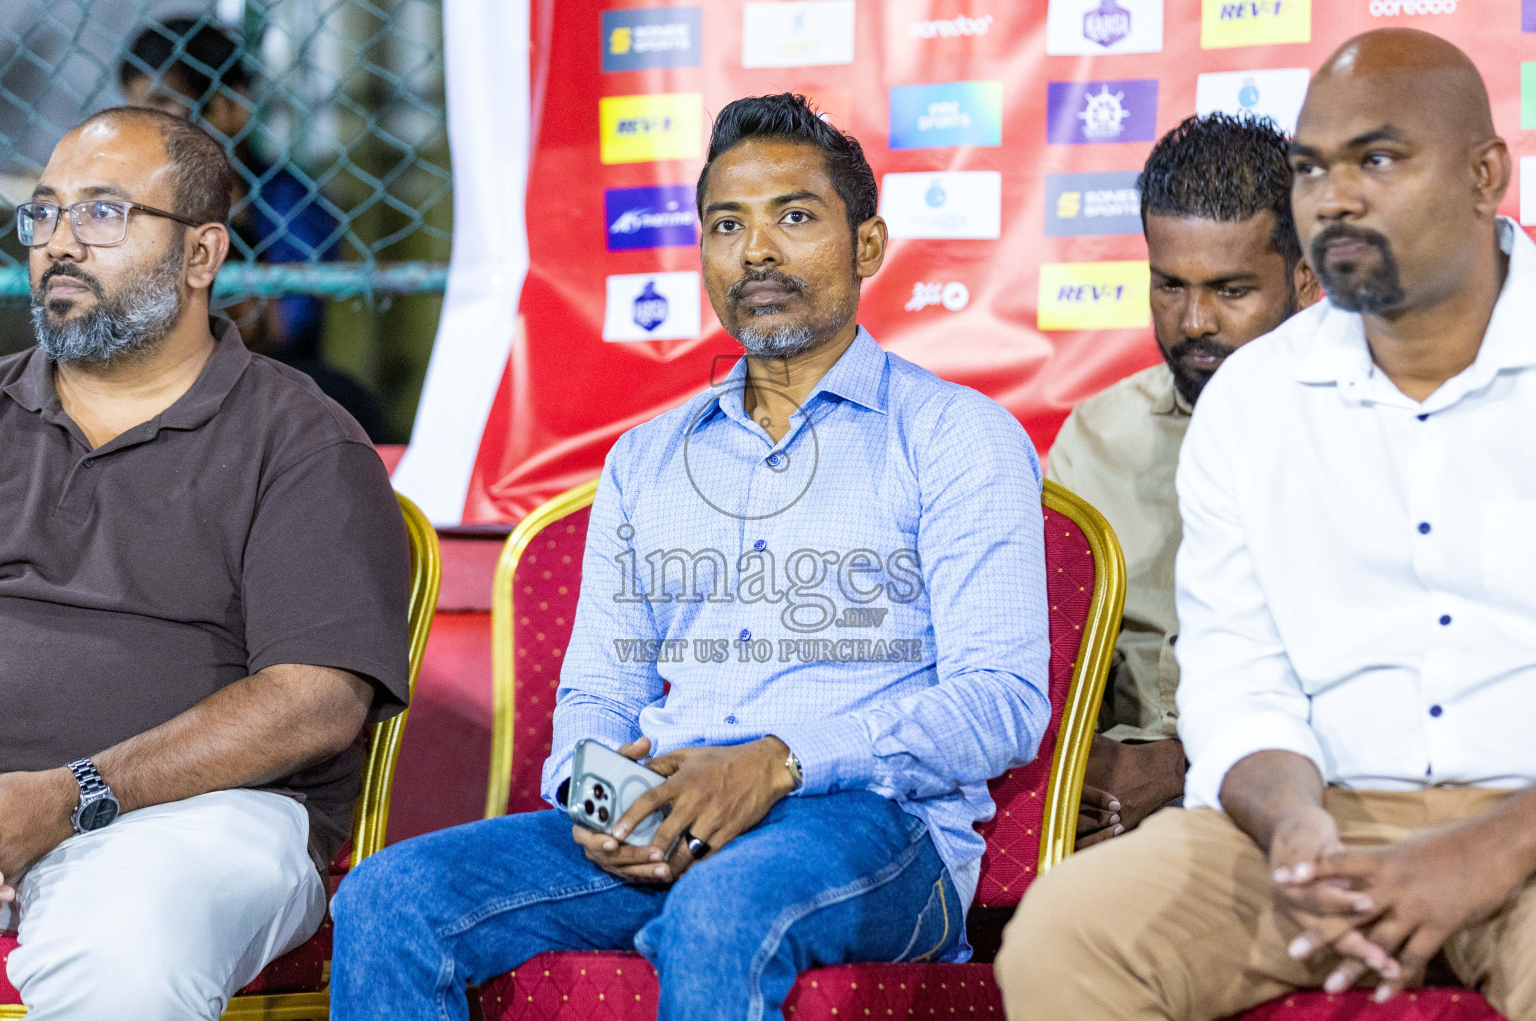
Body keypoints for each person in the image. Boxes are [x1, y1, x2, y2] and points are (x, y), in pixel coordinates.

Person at [329, 92, 1051, 1021]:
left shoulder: (957, 437)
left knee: (724, 908)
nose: (757, 251)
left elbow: (1001, 703)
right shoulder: (648, 459)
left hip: (872, 826)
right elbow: (595, 696)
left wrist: (779, 762)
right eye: (726, 225)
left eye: (794, 217)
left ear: (867, 247)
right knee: (392, 897)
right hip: (664, 814)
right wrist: (605, 802)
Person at [997, 28, 1536, 1020]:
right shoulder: (1254, 400)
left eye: (1376, 158)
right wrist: (1293, 827)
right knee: (1068, 936)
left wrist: (1489, 851)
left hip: (1526, 825)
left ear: (1483, 174)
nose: (1336, 195)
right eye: (1313, 168)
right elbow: (1239, 676)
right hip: (1313, 818)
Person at [0, 106, 410, 1020]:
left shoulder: (299, 443)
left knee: (127, 947)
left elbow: (314, 699)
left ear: (201, 256)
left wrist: (69, 797)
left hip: (187, 821)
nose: (60, 242)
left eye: (103, 214)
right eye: (45, 213)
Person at [1046, 113, 1318, 848]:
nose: (1194, 321)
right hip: (1100, 800)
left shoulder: (1359, 436)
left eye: (1231, 291)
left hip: (1295, 791)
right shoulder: (1095, 435)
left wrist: (1176, 764)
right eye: (1170, 285)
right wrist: (1073, 766)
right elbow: (1042, 655)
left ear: (1306, 280)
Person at [119, 16, 390, 441]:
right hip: (155, 378)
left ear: (230, 107)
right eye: (133, 111)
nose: (142, 129)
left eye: (164, 106)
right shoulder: (129, 201)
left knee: (341, 401)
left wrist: (226, 201)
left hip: (268, 375)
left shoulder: (291, 204)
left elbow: (272, 335)